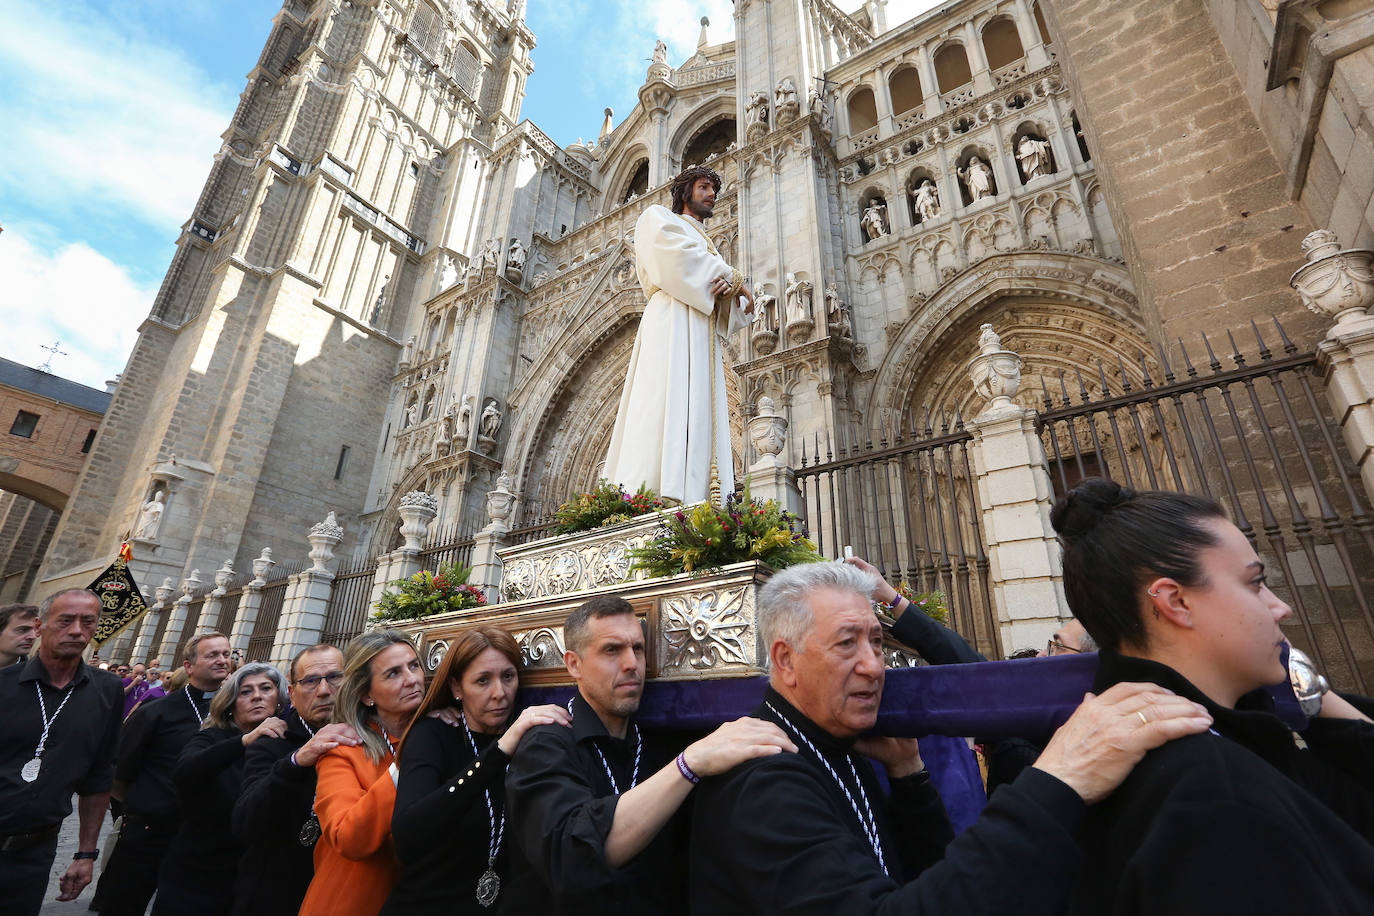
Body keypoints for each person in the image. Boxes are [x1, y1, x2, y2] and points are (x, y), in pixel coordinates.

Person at [690, 560, 1215, 915]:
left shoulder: (843, 742)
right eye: (847, 643)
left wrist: (910, 778)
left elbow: (928, 876)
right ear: (785, 659)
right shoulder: (762, 780)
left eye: (876, 641)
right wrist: (1059, 778)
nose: (874, 667)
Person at [1051, 478, 1374, 913]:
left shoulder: (1238, 741)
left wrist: (1306, 687)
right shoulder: (1215, 794)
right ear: (1176, 601)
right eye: (1256, 582)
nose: (1281, 607)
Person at [505, 595, 795, 915]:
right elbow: (572, 856)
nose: (632, 664)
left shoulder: (660, 744)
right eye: (611, 650)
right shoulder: (545, 745)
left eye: (638, 648)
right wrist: (687, 765)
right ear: (574, 663)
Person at [382, 626, 570, 915]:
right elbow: (409, 837)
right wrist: (497, 752)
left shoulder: (531, 740)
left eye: (508, 677)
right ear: (457, 688)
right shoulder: (433, 734)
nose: (499, 693)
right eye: (482, 681)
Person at [603, 165, 754, 505]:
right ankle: (652, 491)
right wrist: (733, 278)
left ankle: (696, 497)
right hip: (671, 319)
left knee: (699, 404)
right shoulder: (658, 218)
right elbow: (673, 259)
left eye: (714, 189)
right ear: (685, 192)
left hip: (699, 327)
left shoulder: (709, 245)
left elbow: (717, 282)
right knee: (663, 396)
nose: (712, 194)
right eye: (704, 187)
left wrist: (730, 287)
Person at [0, 590, 121, 915]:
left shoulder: (108, 690)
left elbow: (99, 776)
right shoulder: (4, 685)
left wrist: (85, 854)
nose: (77, 630)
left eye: (88, 622)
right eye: (65, 621)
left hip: (34, 853)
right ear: (40, 626)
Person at [97, 631, 232, 915]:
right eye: (213, 655)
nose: (222, 660)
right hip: (148, 833)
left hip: (201, 838)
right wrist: (147, 806)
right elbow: (120, 770)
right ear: (189, 666)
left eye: (226, 654)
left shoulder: (233, 712)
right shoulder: (156, 710)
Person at [298, 630, 425, 916]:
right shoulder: (343, 750)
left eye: (414, 665)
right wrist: (408, 762)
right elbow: (349, 837)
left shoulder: (438, 734)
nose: (412, 679)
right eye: (393, 673)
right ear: (367, 694)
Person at [232, 644, 359, 916]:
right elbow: (245, 822)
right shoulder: (272, 739)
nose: (324, 691)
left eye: (335, 677)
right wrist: (296, 761)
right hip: (274, 896)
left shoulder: (368, 734)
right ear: (292, 693)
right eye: (311, 681)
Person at [152, 662, 288, 916]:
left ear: (280, 699)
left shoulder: (289, 746)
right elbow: (185, 772)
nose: (257, 696)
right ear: (230, 703)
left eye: (266, 688)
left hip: (254, 881)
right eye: (246, 692)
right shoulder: (210, 738)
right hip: (198, 879)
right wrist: (245, 740)